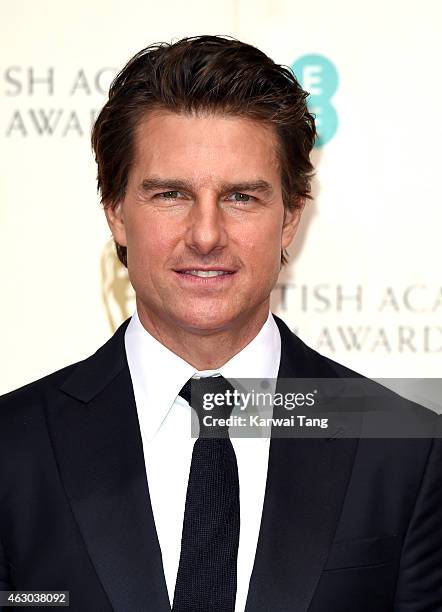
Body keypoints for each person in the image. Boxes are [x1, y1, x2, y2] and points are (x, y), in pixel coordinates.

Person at [0, 35, 440, 612]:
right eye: (170, 194)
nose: (206, 235)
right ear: (115, 213)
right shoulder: (14, 449)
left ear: (289, 219)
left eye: (240, 197)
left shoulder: (406, 452)